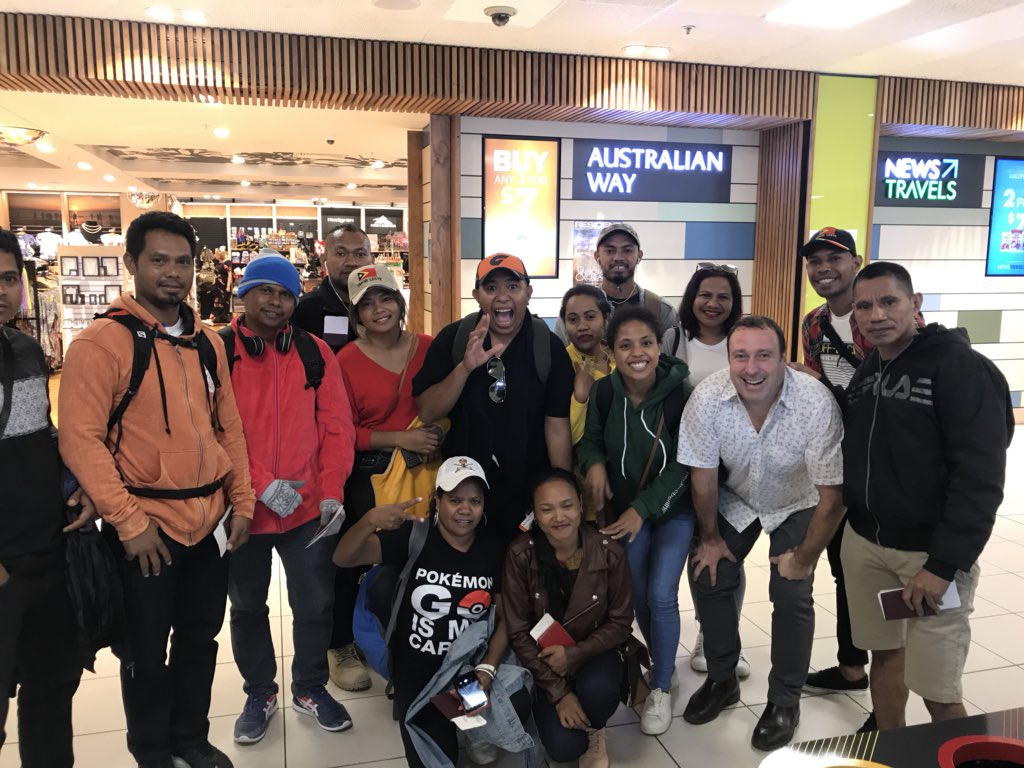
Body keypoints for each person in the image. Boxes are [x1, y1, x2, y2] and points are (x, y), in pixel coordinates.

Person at [58, 211, 257, 768]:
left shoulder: (207, 344)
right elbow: (81, 439)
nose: (173, 274)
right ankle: (150, 750)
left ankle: (190, 738)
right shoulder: (101, 343)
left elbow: (230, 428)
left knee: (200, 642)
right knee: (144, 652)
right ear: (132, 264)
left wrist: (242, 501)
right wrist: (129, 522)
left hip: (209, 525)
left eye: (183, 262)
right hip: (147, 532)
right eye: (159, 261)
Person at [841, 261, 1011, 731]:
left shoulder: (961, 367)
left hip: (928, 556)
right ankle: (891, 751)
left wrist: (942, 566)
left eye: (888, 301)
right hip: (867, 544)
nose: (876, 314)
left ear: (915, 304)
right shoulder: (872, 366)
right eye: (864, 306)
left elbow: (980, 477)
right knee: (886, 656)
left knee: (937, 688)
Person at [678, 315, 845, 751]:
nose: (752, 368)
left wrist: (805, 557)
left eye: (764, 355)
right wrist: (711, 539)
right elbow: (703, 478)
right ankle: (722, 679)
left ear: (783, 358)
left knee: (791, 593)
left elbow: (833, 495)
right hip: (736, 497)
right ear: (729, 358)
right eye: (741, 356)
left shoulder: (814, 401)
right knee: (707, 573)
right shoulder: (708, 398)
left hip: (798, 499)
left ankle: (785, 700)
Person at [223, 253, 356, 743]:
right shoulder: (218, 351)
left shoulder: (315, 351)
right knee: (247, 608)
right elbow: (215, 431)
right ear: (245, 294)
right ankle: (259, 690)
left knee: (315, 604)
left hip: (306, 512)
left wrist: (332, 491)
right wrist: (258, 484)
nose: (275, 302)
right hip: (243, 512)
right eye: (265, 291)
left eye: (284, 294)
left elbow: (337, 428)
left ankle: (309, 687)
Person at [333, 457, 516, 768]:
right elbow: (343, 558)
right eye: (454, 500)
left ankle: (474, 729)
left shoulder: (493, 548)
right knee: (433, 758)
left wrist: (487, 668)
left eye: (475, 501)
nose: (464, 509)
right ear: (437, 501)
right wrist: (368, 521)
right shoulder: (413, 536)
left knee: (500, 717)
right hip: (417, 672)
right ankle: (458, 725)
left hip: (466, 671)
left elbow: (505, 617)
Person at [0, 228, 95, 768]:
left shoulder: (26, 348)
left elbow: (41, 435)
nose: (2, 290)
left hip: (49, 554)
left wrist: (73, 483)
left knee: (51, 692)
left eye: (9, 277)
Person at [576, 306, 692, 736]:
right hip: (626, 516)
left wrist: (641, 509)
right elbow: (589, 442)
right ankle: (663, 659)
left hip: (671, 513)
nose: (637, 352)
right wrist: (594, 465)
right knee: (638, 593)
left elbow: (685, 464)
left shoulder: (681, 392)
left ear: (660, 345)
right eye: (625, 345)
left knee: (661, 594)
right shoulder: (605, 394)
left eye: (646, 342)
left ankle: (660, 685)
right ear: (611, 351)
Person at [413, 254, 574, 542]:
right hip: (465, 494)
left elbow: (557, 425)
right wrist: (464, 368)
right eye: (491, 288)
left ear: (528, 292)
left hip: (528, 490)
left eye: (513, 286)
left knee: (523, 575)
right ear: (477, 295)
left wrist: (562, 489)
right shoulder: (454, 339)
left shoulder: (546, 347)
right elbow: (427, 411)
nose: (502, 297)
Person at [330, 264, 435, 692]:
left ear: (400, 302)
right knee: (371, 562)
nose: (379, 309)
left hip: (429, 472)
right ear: (356, 314)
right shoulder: (345, 360)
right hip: (372, 478)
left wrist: (438, 433)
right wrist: (396, 438)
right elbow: (339, 431)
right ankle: (349, 644)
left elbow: (449, 403)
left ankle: (421, 644)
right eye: (367, 303)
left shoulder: (429, 346)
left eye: (385, 298)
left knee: (424, 561)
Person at [503, 469, 636, 768]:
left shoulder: (609, 553)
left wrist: (575, 654)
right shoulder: (520, 555)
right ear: (534, 514)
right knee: (564, 749)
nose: (558, 517)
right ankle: (555, 711)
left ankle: (596, 728)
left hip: (595, 652)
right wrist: (559, 692)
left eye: (566, 505)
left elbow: (621, 623)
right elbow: (519, 631)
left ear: (579, 505)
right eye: (546, 509)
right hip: (545, 663)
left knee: (599, 691)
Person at [793, 227, 874, 705]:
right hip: (838, 462)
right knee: (844, 564)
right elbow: (821, 392)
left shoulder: (879, 315)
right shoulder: (813, 324)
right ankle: (850, 666)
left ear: (856, 261)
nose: (824, 268)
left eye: (834, 258)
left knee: (879, 569)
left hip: (884, 463)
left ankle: (890, 676)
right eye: (815, 260)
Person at [663, 263, 750, 678]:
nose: (713, 304)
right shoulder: (673, 338)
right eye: (705, 295)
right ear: (691, 298)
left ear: (734, 303)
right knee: (699, 551)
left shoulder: (743, 340)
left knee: (729, 554)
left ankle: (723, 637)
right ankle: (712, 631)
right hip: (684, 463)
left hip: (736, 468)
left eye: (723, 296)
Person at [554, 222, 677, 345]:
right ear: (597, 256)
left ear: (639, 255)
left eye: (627, 250)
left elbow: (673, 361)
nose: (618, 257)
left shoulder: (661, 310)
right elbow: (559, 356)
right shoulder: (575, 308)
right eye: (609, 250)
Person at [292, 224, 374, 352]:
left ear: (372, 261)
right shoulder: (305, 310)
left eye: (361, 254)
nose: (352, 262)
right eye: (341, 254)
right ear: (324, 261)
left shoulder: (382, 306)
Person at [560, 284, 614, 446]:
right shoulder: (560, 363)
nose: (582, 326)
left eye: (590, 317)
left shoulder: (622, 357)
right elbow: (567, 438)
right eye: (573, 319)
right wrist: (580, 399)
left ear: (605, 318)